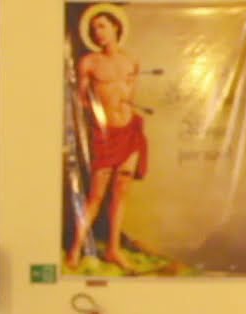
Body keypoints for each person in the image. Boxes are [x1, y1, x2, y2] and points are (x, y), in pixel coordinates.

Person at [66, 7, 149, 270]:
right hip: (105, 134)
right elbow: (80, 102)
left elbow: (132, 95)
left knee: (121, 191)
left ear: (116, 27)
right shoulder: (89, 62)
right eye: (94, 29)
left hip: (131, 131)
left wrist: (131, 104)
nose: (98, 33)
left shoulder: (132, 61)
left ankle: (114, 249)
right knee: (96, 195)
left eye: (102, 26)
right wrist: (92, 122)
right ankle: (75, 249)